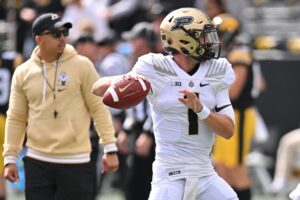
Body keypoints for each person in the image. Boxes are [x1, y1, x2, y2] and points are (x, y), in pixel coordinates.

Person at [92, 7, 238, 200]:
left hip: (205, 173)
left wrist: (201, 110)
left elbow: (228, 130)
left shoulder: (217, 70)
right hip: (170, 174)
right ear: (183, 40)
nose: (209, 41)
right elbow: (98, 87)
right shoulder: (154, 67)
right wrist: (122, 82)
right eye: (202, 36)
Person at [3, 13, 119, 200]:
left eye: (65, 32)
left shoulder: (83, 65)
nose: (63, 38)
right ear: (39, 39)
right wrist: (9, 158)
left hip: (76, 161)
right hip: (37, 161)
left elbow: (99, 109)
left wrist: (110, 148)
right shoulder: (22, 72)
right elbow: (16, 117)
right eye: (56, 34)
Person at [211, 12, 263, 200]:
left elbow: (233, 92)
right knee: (222, 166)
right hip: (227, 115)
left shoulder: (239, 54)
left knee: (236, 167)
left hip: (238, 115)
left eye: (217, 34)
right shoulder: (232, 53)